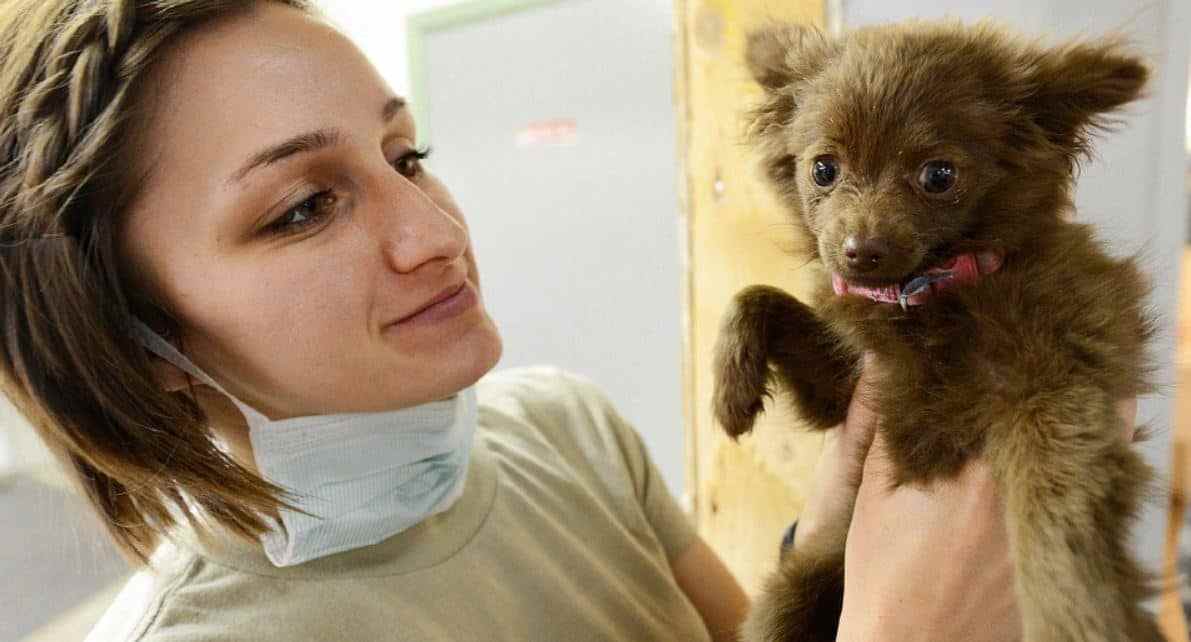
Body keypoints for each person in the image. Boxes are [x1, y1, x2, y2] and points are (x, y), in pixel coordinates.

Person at [0, 1, 1130, 640]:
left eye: (408, 156)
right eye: (302, 208)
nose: (435, 230)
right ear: (130, 346)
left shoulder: (564, 432)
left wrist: (832, 540)